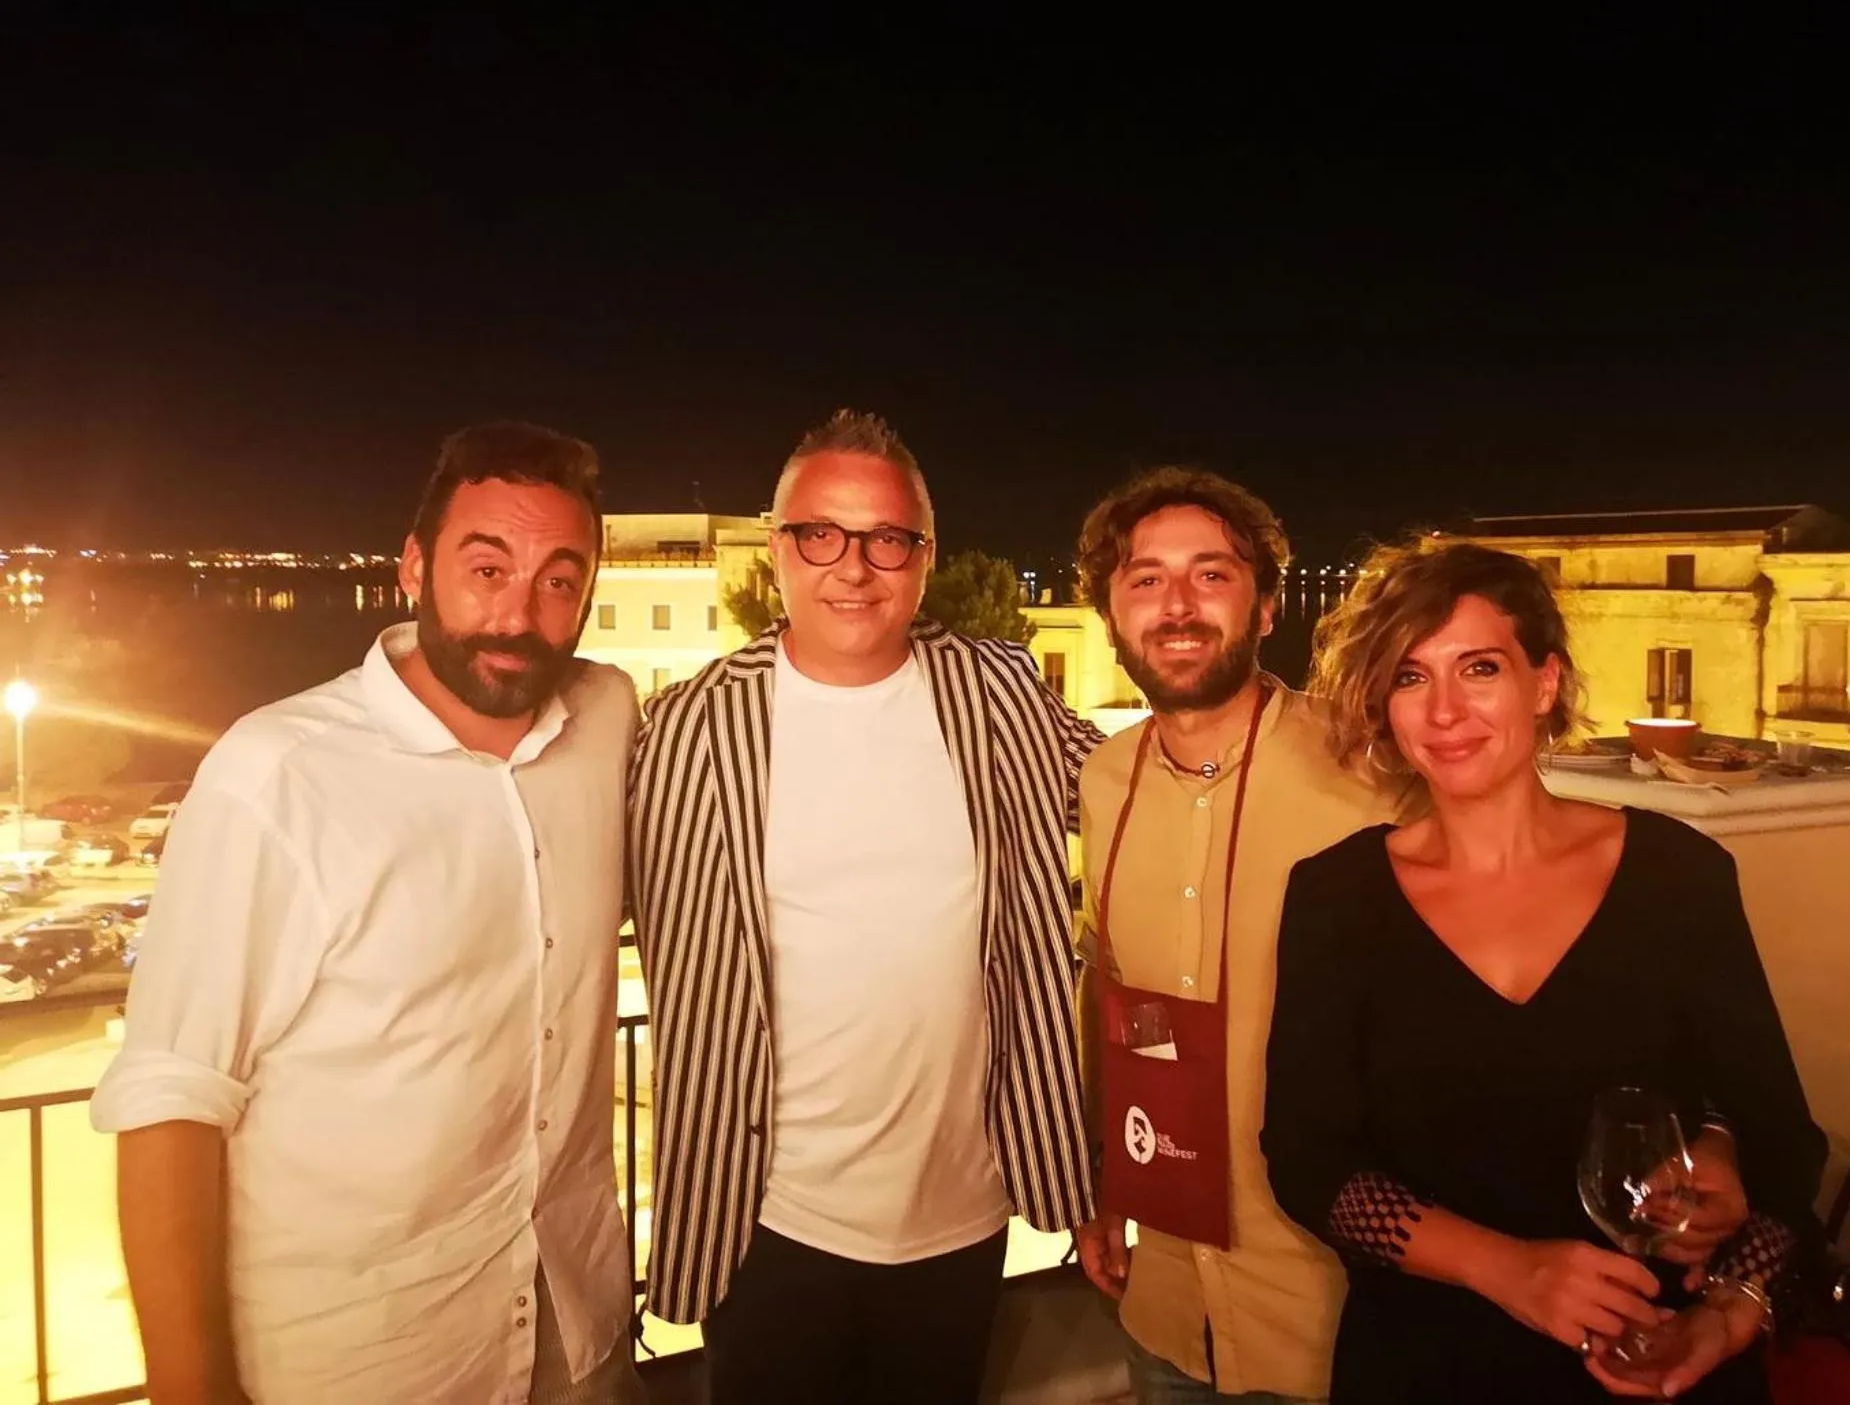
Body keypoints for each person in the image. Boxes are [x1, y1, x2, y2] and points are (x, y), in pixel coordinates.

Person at [90, 422, 645, 1404]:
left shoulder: (606, 723)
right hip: (369, 1369)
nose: (517, 613)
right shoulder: (279, 774)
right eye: (486, 568)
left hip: (579, 1342)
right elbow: (172, 1099)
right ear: (413, 568)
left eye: (559, 581)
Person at [1261, 539, 1826, 1403]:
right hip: (1429, 1366)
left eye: (1478, 667)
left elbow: (1782, 1139)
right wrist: (1506, 1269)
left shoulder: (1678, 874)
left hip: (1659, 1358)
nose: (1444, 710)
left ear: (1545, 683)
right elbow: (1309, 1163)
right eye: (1411, 677)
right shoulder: (1336, 897)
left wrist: (1727, 1307)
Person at [628, 409, 1102, 1404]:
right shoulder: (685, 727)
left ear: (924, 557)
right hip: (765, 1220)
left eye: (887, 538)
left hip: (962, 1218)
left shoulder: (998, 692)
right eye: (820, 534)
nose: (853, 567)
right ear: (778, 546)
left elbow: (1139, 795)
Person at [1068, 469, 1389, 1404]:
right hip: (1163, 1299)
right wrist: (1102, 1187)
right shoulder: (1104, 778)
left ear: (1267, 603)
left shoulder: (1367, 769)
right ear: (1111, 612)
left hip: (1333, 1308)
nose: (1177, 606)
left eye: (1211, 575)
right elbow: (1110, 989)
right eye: (1145, 579)